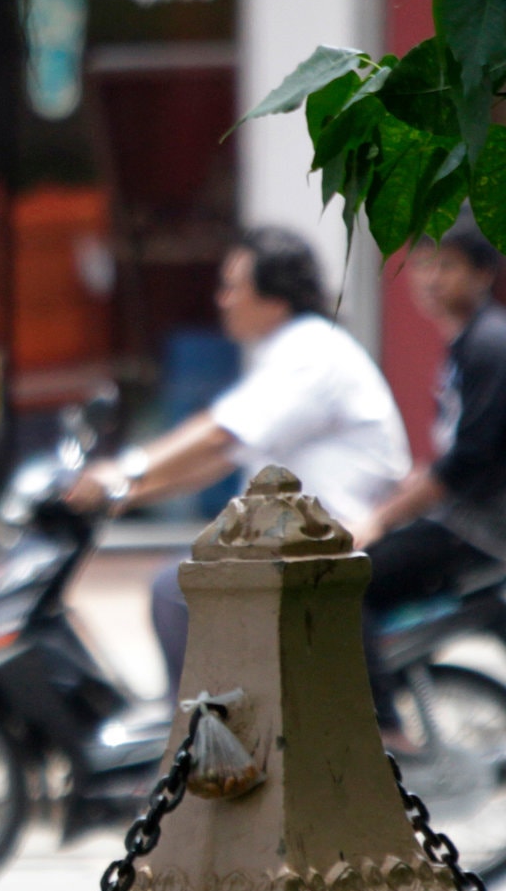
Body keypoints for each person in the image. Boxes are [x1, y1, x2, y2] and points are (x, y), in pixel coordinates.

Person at [67, 227, 410, 693]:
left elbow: (219, 433)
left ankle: (201, 739)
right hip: (298, 538)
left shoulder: (310, 352)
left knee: (177, 592)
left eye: (233, 288)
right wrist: (129, 495)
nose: (222, 299)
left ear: (273, 300)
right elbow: (225, 455)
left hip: (331, 540)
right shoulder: (290, 351)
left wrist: (126, 469)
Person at [350, 215, 506, 738]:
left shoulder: (489, 345)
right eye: (421, 265)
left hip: (478, 532)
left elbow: (466, 462)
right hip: (462, 523)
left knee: (344, 586)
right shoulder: (468, 346)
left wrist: (380, 518)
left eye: (446, 266)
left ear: (483, 273)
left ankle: (385, 730)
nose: (430, 279)